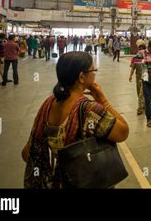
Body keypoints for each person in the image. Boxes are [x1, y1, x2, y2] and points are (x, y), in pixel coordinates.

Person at [21, 51, 129, 188]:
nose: (95, 73)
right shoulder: (89, 110)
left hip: (58, 182)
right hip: (84, 180)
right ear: (82, 77)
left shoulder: (48, 104)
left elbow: (26, 153)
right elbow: (123, 132)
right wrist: (103, 100)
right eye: (93, 70)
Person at [129, 40, 146, 115]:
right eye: (140, 48)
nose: (141, 50)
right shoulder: (135, 58)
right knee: (139, 93)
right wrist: (130, 75)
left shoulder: (147, 58)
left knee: (141, 94)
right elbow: (133, 67)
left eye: (143, 48)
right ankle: (143, 104)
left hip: (145, 78)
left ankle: (140, 108)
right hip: (138, 77)